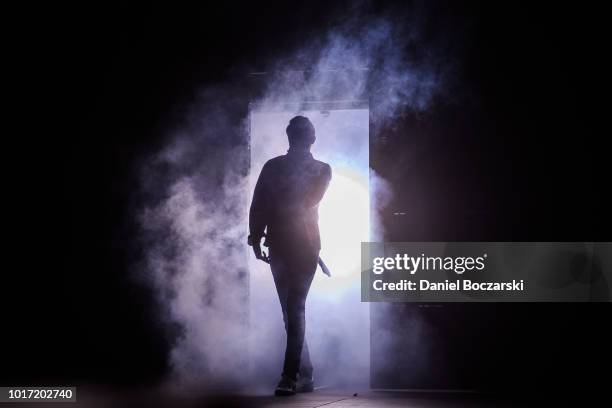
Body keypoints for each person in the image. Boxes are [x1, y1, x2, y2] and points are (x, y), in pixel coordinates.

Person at [249, 115, 332, 396]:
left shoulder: (292, 168)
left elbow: (269, 204)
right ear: (312, 138)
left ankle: (289, 376)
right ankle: (305, 374)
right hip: (290, 247)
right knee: (290, 314)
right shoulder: (317, 169)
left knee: (294, 310)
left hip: (296, 248)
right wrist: (257, 237)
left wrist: (257, 237)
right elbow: (262, 203)